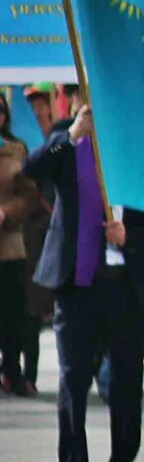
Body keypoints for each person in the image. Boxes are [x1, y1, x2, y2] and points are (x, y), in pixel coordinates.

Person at [31, 103, 144, 462]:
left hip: (123, 285)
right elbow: (35, 169)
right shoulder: (69, 139)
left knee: (127, 383)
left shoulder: (137, 150)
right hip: (76, 283)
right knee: (73, 378)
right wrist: (73, 134)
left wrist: (129, 235)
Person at [0, 92, 43, 397]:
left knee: (14, 313)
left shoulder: (16, 150)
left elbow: (30, 195)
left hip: (10, 244)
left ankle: (13, 372)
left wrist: (7, 213)